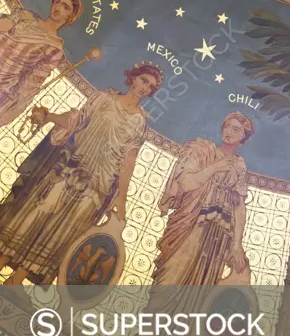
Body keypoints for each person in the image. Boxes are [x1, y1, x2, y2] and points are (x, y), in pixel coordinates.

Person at [0, 62, 162, 285]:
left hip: (97, 186)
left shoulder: (140, 122)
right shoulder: (104, 98)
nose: (146, 88)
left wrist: (121, 198)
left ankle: (15, 281)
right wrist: (48, 115)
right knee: (35, 213)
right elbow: (74, 120)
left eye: (151, 87)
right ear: (133, 77)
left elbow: (129, 161)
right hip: (70, 167)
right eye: (144, 80)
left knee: (60, 233)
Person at [153, 111, 254, 286]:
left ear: (243, 138)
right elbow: (185, 183)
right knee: (171, 277)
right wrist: (213, 168)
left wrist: (237, 244)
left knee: (200, 286)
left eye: (236, 130)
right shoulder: (202, 152)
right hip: (190, 222)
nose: (228, 132)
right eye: (227, 126)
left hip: (218, 233)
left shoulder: (239, 165)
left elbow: (239, 206)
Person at [0, 0, 83, 128]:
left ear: (70, 16)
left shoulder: (55, 48)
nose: (58, 7)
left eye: (65, 7)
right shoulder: (26, 16)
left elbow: (31, 83)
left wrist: (12, 110)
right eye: (57, 2)